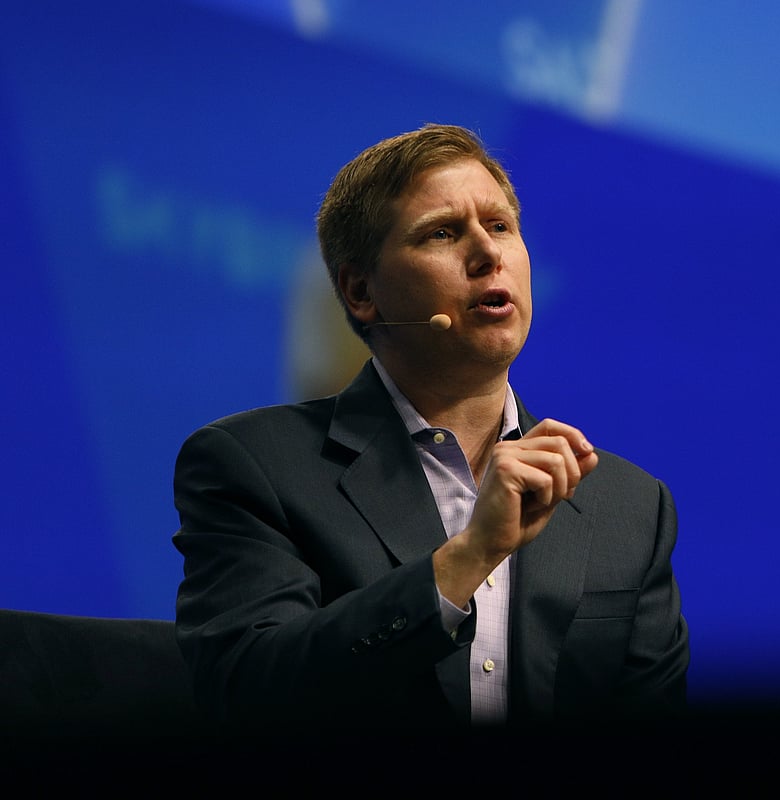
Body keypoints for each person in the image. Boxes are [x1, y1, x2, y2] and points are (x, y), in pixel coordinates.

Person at [171, 123, 689, 736]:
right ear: (362, 292)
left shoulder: (627, 506)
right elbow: (246, 693)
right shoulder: (255, 466)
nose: (487, 253)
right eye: (443, 233)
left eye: (500, 226)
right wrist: (469, 557)